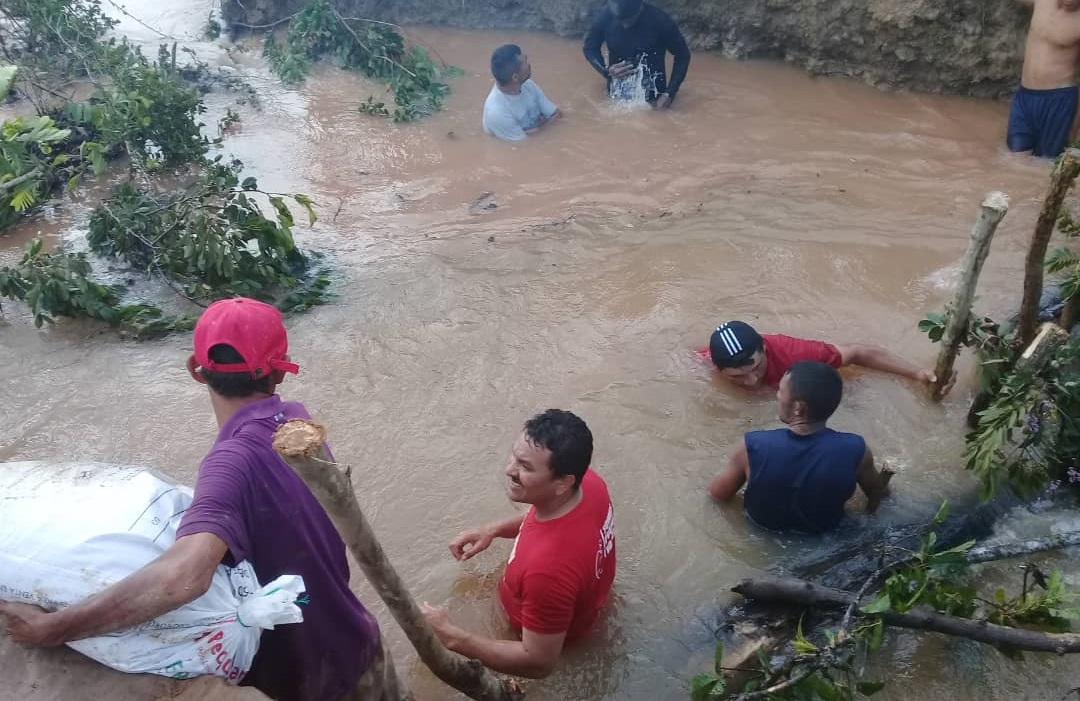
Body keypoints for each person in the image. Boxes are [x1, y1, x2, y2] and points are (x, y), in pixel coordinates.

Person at [0, 298, 401, 701]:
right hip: (360, 638)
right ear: (281, 370)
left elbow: (183, 578)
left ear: (195, 369)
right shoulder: (298, 424)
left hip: (314, 676)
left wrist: (51, 629)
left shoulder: (230, 463)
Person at [420, 409, 615, 679]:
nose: (508, 469)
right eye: (515, 456)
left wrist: (453, 637)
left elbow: (539, 661)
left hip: (539, 632)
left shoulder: (547, 571)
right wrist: (493, 529)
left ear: (562, 482)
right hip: (585, 604)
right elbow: (544, 515)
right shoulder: (590, 486)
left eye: (526, 467)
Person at [708, 361, 894, 533]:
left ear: (798, 408)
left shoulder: (752, 446)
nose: (777, 395)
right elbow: (879, 493)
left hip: (762, 532)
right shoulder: (856, 450)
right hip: (826, 536)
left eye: (781, 390)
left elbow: (718, 496)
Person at [702, 320, 954, 394]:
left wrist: (917, 374)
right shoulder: (706, 363)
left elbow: (857, 352)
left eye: (755, 368)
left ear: (765, 349)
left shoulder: (795, 354)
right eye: (737, 377)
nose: (750, 381)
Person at [583, 0, 691, 108]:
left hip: (654, 99)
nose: (625, 25)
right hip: (615, 97)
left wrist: (669, 93)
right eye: (620, 20)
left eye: (629, 19)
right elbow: (590, 48)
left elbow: (682, 55)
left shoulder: (660, 21)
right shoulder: (604, 16)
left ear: (640, 7)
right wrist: (606, 71)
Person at [1007, 0, 1080, 157]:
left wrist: (1075, 127)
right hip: (1024, 97)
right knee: (1013, 159)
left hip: (1059, 103)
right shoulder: (1042, 2)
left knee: (1045, 164)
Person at [482, 44, 561, 142]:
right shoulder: (497, 112)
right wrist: (542, 125)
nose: (529, 64)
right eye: (525, 61)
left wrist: (536, 130)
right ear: (515, 77)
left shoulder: (527, 84)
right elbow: (525, 146)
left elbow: (557, 114)